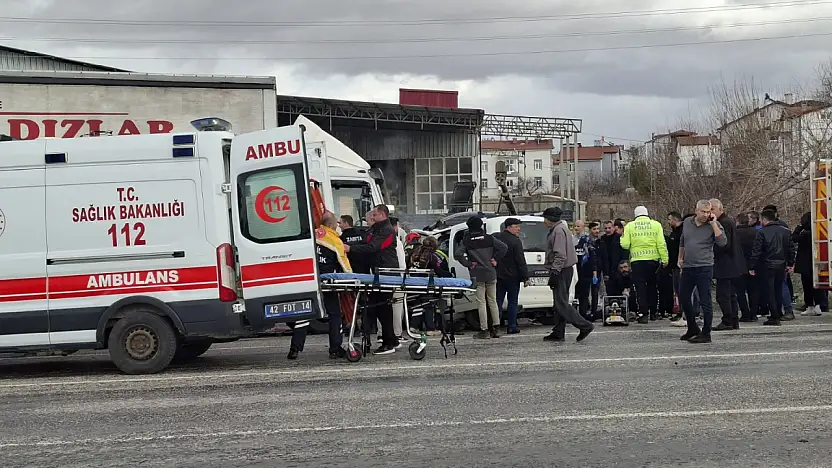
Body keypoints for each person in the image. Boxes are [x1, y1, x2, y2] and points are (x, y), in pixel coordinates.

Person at [288, 212, 350, 360]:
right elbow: (344, 265)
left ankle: (294, 349)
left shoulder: (312, 235)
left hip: (310, 280)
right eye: (336, 223)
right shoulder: (335, 240)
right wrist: (352, 278)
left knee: (305, 313)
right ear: (332, 225)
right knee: (334, 315)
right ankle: (335, 349)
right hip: (328, 283)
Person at [343, 205, 400, 355]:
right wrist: (349, 245)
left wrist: (350, 249)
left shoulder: (386, 231)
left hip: (386, 274)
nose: (372, 217)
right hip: (379, 273)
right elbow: (365, 242)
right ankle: (391, 339)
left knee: (383, 308)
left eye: (374, 214)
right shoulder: (377, 230)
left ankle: (389, 342)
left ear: (382, 214)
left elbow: (373, 247)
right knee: (378, 306)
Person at [542, 207, 594, 342]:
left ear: (550, 219)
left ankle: (584, 325)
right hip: (565, 269)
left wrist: (555, 271)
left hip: (561, 270)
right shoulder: (561, 228)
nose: (544, 221)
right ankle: (558, 331)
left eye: (545, 218)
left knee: (561, 304)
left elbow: (560, 254)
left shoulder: (558, 231)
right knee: (559, 303)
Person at [678, 200, 727, 343]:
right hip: (688, 266)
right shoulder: (687, 222)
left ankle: (706, 333)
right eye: (703, 212)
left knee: (705, 300)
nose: (706, 215)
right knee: (684, 297)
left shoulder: (713, 224)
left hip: (704, 266)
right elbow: (683, 240)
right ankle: (692, 328)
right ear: (696, 211)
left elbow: (722, 242)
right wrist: (680, 257)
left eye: (708, 212)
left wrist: (713, 223)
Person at [454, 216, 508, 339]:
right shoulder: (489, 238)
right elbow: (504, 247)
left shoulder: (467, 240)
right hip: (491, 273)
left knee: (481, 302)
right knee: (493, 301)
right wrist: (495, 259)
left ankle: (484, 330)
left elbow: (458, 254)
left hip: (477, 274)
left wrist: (468, 263)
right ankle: (496, 328)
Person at [620, 206, 669, 324]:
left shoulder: (630, 226)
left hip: (637, 261)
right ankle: (654, 312)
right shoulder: (656, 225)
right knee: (652, 287)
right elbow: (661, 244)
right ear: (647, 214)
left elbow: (625, 245)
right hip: (653, 260)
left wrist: (622, 237)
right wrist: (665, 259)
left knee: (640, 288)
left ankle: (643, 313)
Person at [749, 209, 795, 326]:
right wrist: (790, 263)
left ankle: (774, 316)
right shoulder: (786, 231)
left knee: (769, 291)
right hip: (781, 265)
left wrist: (752, 266)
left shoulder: (762, 232)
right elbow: (791, 249)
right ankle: (778, 312)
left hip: (767, 265)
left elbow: (757, 251)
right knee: (778, 290)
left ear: (764, 219)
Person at [710, 199, 749, 331]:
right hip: (731, 263)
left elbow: (724, 244)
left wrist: (711, 250)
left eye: (713, 209)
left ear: (720, 209)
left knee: (723, 295)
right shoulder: (729, 221)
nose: (710, 212)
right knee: (730, 294)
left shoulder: (723, 223)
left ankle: (728, 320)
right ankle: (733, 320)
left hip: (726, 264)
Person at [408, 235, 452, 335]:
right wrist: (450, 275)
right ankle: (430, 329)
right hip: (425, 284)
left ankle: (414, 326)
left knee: (418, 304)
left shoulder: (415, 253)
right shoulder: (432, 256)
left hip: (412, 283)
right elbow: (439, 271)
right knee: (429, 305)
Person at [493, 217, 529, 334]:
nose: (519, 229)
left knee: (497, 301)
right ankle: (512, 326)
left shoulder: (496, 238)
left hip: (498, 275)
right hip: (513, 276)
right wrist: (525, 277)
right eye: (516, 227)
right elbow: (520, 260)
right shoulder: (515, 241)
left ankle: (495, 325)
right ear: (508, 227)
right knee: (512, 301)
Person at [792, 212, 826, 316]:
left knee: (807, 285)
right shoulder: (818, 232)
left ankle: (810, 305)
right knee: (817, 284)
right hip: (817, 261)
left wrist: (798, 229)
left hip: (805, 263)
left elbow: (793, 238)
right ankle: (818, 305)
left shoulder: (804, 234)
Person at [736, 212, 760, 322]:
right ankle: (754, 313)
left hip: (739, 266)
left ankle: (745, 314)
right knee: (753, 291)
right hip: (753, 265)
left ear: (738, 221)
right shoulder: (756, 232)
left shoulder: (735, 234)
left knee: (740, 292)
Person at [574, 223, 600, 321]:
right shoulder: (572, 240)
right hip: (575, 271)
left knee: (585, 295)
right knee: (577, 294)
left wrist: (594, 273)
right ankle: (576, 314)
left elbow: (593, 258)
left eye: (578, 226)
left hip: (586, 271)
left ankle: (584, 314)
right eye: (575, 226)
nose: (576, 228)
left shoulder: (587, 241)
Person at [666, 211, 684, 322]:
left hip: (680, 266)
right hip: (674, 266)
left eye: (669, 219)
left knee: (682, 290)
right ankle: (680, 312)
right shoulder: (674, 232)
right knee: (677, 290)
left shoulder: (682, 232)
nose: (668, 222)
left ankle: (686, 312)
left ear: (675, 219)